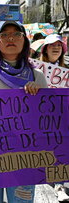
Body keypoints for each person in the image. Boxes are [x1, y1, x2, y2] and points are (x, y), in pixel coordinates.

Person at [0, 8, 48, 203]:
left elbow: (47, 117)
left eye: (16, 34)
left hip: (24, 157)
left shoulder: (37, 76)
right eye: (4, 35)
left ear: (25, 41)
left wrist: (39, 95)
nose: (11, 38)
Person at [39, 34, 69, 202]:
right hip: (38, 119)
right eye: (52, 45)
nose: (56, 47)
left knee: (61, 148)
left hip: (60, 118)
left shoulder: (67, 70)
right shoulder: (33, 69)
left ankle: (59, 186)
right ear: (45, 49)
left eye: (59, 45)